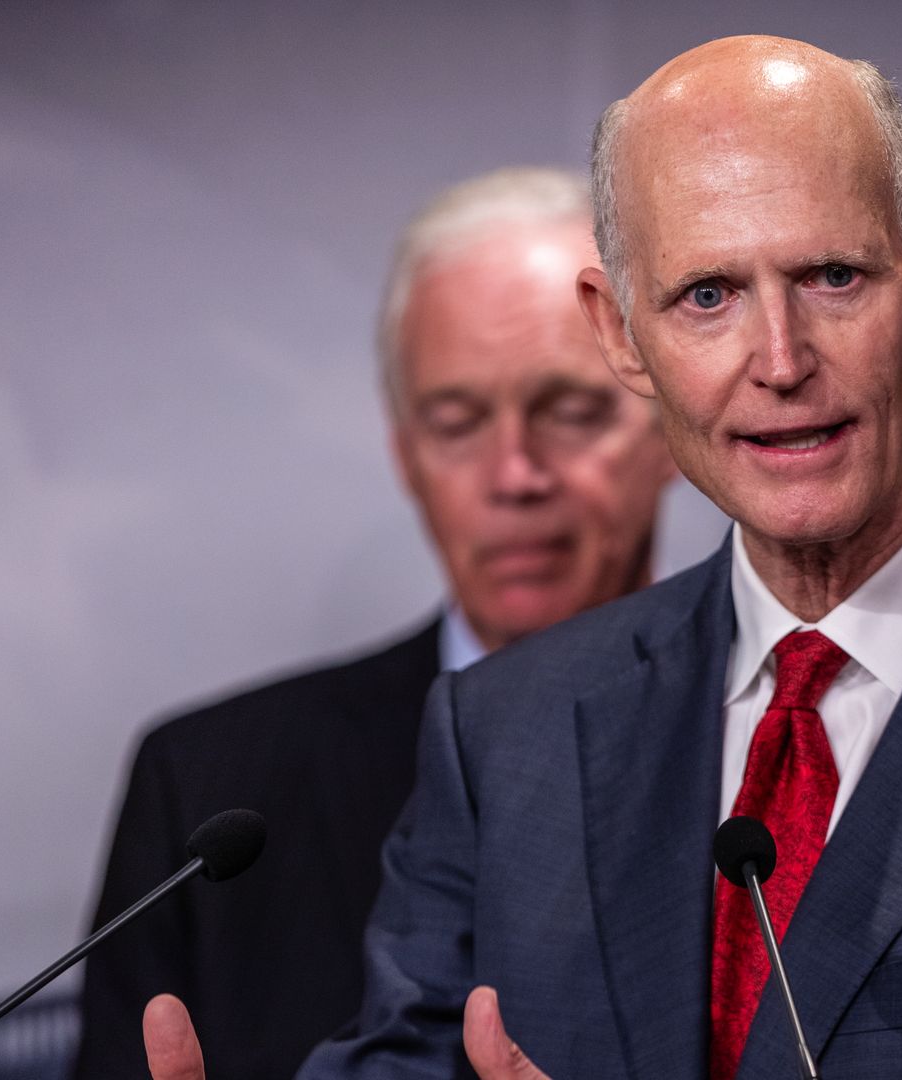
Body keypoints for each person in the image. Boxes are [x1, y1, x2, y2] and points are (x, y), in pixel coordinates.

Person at [149, 35, 902, 1080]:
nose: (779, 359)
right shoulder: (505, 731)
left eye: (831, 277)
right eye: (707, 294)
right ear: (621, 334)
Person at [72, 166, 676, 1080]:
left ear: (673, 426)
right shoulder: (207, 793)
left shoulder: (787, 741)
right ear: (403, 454)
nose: (514, 475)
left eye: (572, 410)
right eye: (457, 421)